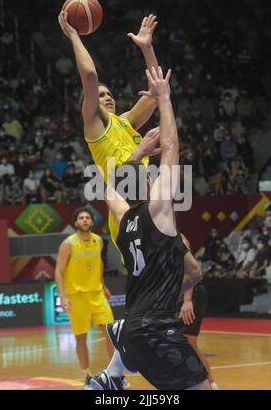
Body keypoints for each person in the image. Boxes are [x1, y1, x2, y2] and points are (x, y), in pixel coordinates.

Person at [90, 66, 208, 390]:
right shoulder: (160, 212)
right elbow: (171, 148)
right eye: (150, 177)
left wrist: (139, 153)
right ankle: (110, 378)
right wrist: (165, 99)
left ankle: (111, 377)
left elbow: (109, 191)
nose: (153, 176)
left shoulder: (126, 222)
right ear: (149, 187)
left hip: (134, 331)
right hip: (157, 330)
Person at [58, 11, 160, 246]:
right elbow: (91, 76)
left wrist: (147, 48)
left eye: (110, 94)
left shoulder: (124, 122)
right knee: (149, 276)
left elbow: (156, 92)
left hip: (149, 197)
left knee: (178, 273)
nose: (107, 97)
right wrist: (74, 35)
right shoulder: (93, 125)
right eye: (100, 95)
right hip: (127, 202)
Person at [55, 207, 114, 390]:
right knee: (81, 338)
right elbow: (58, 270)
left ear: (92, 222)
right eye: (81, 218)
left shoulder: (98, 241)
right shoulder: (68, 244)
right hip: (77, 297)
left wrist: (103, 284)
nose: (85, 220)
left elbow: (99, 263)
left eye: (88, 217)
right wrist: (63, 296)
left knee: (111, 334)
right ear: (76, 223)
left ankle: (115, 374)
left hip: (97, 294)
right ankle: (87, 375)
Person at [177, 234, 219, 390]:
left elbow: (191, 271)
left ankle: (209, 384)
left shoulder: (179, 239)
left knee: (186, 342)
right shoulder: (161, 237)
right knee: (188, 343)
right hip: (183, 293)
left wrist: (187, 300)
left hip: (189, 293)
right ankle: (211, 385)